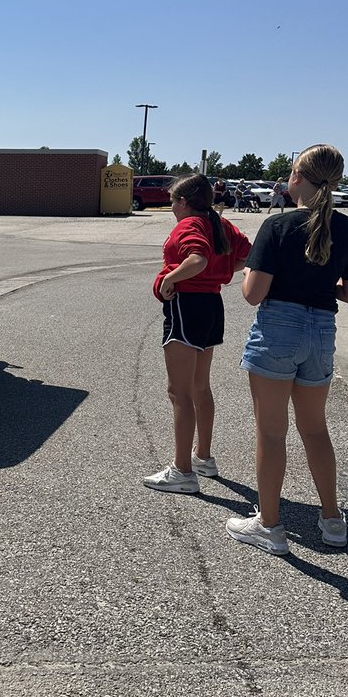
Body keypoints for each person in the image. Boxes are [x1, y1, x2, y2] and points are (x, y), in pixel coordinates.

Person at [226, 144, 348, 554]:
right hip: (321, 330)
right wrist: (321, 285)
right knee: (315, 428)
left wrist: (251, 271)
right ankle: (333, 520)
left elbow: (253, 294)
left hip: (278, 330)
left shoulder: (278, 226)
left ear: (297, 179)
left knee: (271, 432)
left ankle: (269, 526)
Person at [143, 174, 251, 493]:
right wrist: (219, 271)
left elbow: (197, 258)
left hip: (186, 306)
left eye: (173, 201)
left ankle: (182, 471)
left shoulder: (189, 224)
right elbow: (246, 255)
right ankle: (203, 456)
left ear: (183, 202)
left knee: (180, 392)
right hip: (211, 306)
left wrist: (169, 280)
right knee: (200, 387)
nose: (172, 207)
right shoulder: (218, 223)